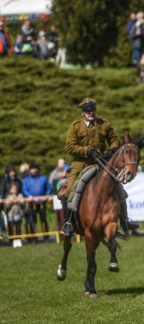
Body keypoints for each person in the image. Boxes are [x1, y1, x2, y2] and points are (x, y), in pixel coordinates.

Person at [61, 98, 136, 236]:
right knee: (69, 190)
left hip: (101, 164)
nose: (91, 112)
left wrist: (112, 150)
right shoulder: (75, 126)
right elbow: (70, 147)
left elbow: (114, 139)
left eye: (93, 110)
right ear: (83, 113)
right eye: (87, 111)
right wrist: (86, 150)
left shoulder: (104, 124)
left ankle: (125, 220)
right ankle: (69, 222)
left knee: (119, 189)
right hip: (81, 165)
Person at [22, 163, 52, 239]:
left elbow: (48, 188)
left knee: (43, 219)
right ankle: (33, 237)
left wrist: (46, 195)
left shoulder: (43, 178)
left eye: (35, 169)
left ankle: (46, 236)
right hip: (31, 203)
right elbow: (24, 190)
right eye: (32, 169)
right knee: (32, 220)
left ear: (37, 169)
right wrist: (29, 196)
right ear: (30, 170)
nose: (34, 170)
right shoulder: (27, 180)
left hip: (42, 202)